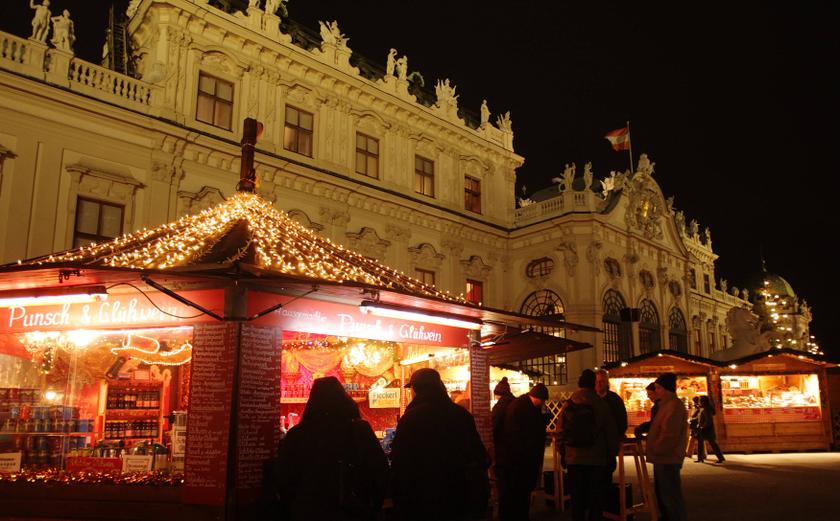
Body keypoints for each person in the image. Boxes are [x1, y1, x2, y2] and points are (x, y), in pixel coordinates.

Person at [272, 376, 388, 521]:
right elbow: (379, 470)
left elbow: (285, 476)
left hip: (309, 509)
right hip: (352, 509)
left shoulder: (298, 433)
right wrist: (374, 505)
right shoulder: (359, 429)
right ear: (343, 397)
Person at [390, 368, 490, 521]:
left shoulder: (411, 418)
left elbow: (400, 460)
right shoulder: (461, 414)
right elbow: (479, 455)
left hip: (423, 497)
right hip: (458, 495)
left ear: (416, 390)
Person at [559, 369, 618, 521]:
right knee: (595, 498)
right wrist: (611, 455)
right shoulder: (600, 404)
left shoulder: (569, 403)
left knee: (577, 498)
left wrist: (563, 453)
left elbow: (560, 430)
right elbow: (610, 431)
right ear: (593, 384)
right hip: (596, 459)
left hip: (574, 459)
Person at [496, 382, 550, 521]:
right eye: (543, 401)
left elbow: (544, 420)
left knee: (521, 493)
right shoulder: (520, 407)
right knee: (517, 493)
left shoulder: (529, 405)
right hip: (518, 461)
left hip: (523, 460)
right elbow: (516, 434)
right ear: (537, 397)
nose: (544, 403)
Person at [646, 373, 688, 521]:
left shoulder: (673, 406)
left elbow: (669, 435)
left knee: (670, 496)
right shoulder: (666, 405)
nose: (655, 391)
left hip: (668, 458)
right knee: (665, 495)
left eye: (658, 388)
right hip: (664, 458)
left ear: (666, 389)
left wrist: (656, 449)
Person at [695, 395, 725, 463]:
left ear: (703, 401)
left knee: (712, 443)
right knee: (702, 443)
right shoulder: (703, 408)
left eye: (700, 400)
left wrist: (703, 427)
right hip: (704, 428)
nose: (699, 401)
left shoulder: (706, 409)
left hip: (706, 429)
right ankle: (700, 458)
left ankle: (720, 458)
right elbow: (700, 418)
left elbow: (708, 420)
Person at [491, 377, 515, 456]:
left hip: (503, 442)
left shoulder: (499, 406)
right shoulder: (515, 402)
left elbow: (494, 424)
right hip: (515, 442)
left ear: (499, 394)